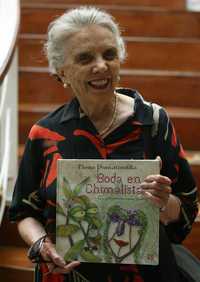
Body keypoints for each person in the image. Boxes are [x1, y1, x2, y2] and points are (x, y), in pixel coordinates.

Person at [9, 6, 198, 282]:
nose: (101, 65)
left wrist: (163, 202)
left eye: (109, 54)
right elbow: (24, 213)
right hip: (67, 275)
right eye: (85, 58)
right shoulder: (45, 134)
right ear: (62, 72)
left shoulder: (153, 121)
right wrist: (41, 244)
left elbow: (186, 210)